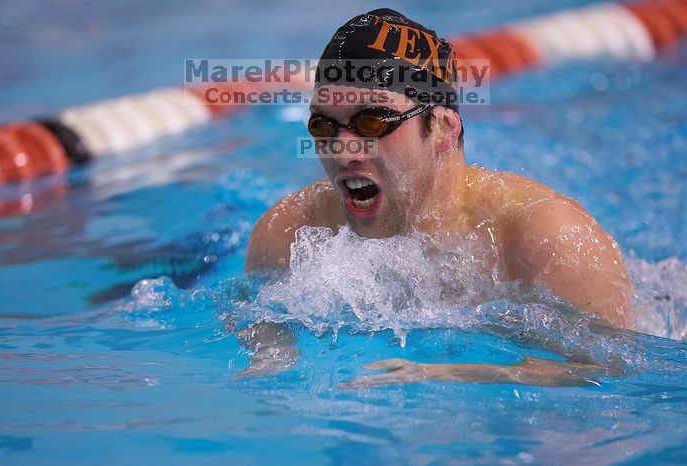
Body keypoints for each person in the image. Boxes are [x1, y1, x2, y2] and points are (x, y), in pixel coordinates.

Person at [240, 8, 631, 386]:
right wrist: (273, 359)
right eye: (324, 125)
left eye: (372, 121)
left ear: (444, 128)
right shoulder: (290, 234)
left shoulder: (549, 243)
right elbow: (253, 322)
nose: (343, 151)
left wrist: (447, 376)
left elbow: (609, 373)